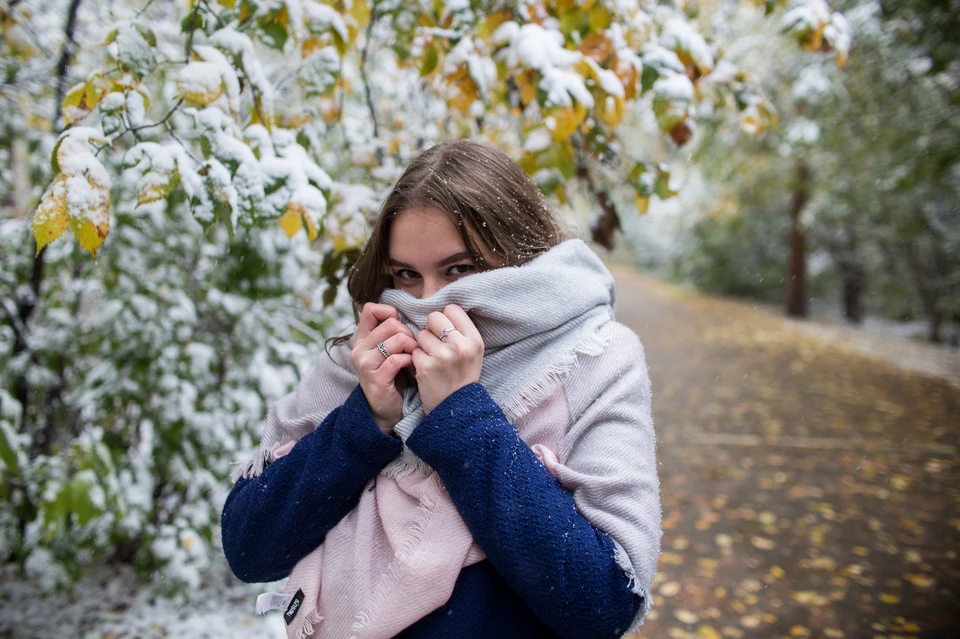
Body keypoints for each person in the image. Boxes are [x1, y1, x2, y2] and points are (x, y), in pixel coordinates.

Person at [221, 140, 661, 639]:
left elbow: (603, 604)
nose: (430, 304)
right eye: (407, 275)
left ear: (521, 255)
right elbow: (249, 546)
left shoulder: (595, 357)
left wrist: (462, 416)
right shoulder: (365, 359)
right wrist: (364, 421)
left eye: (460, 270)